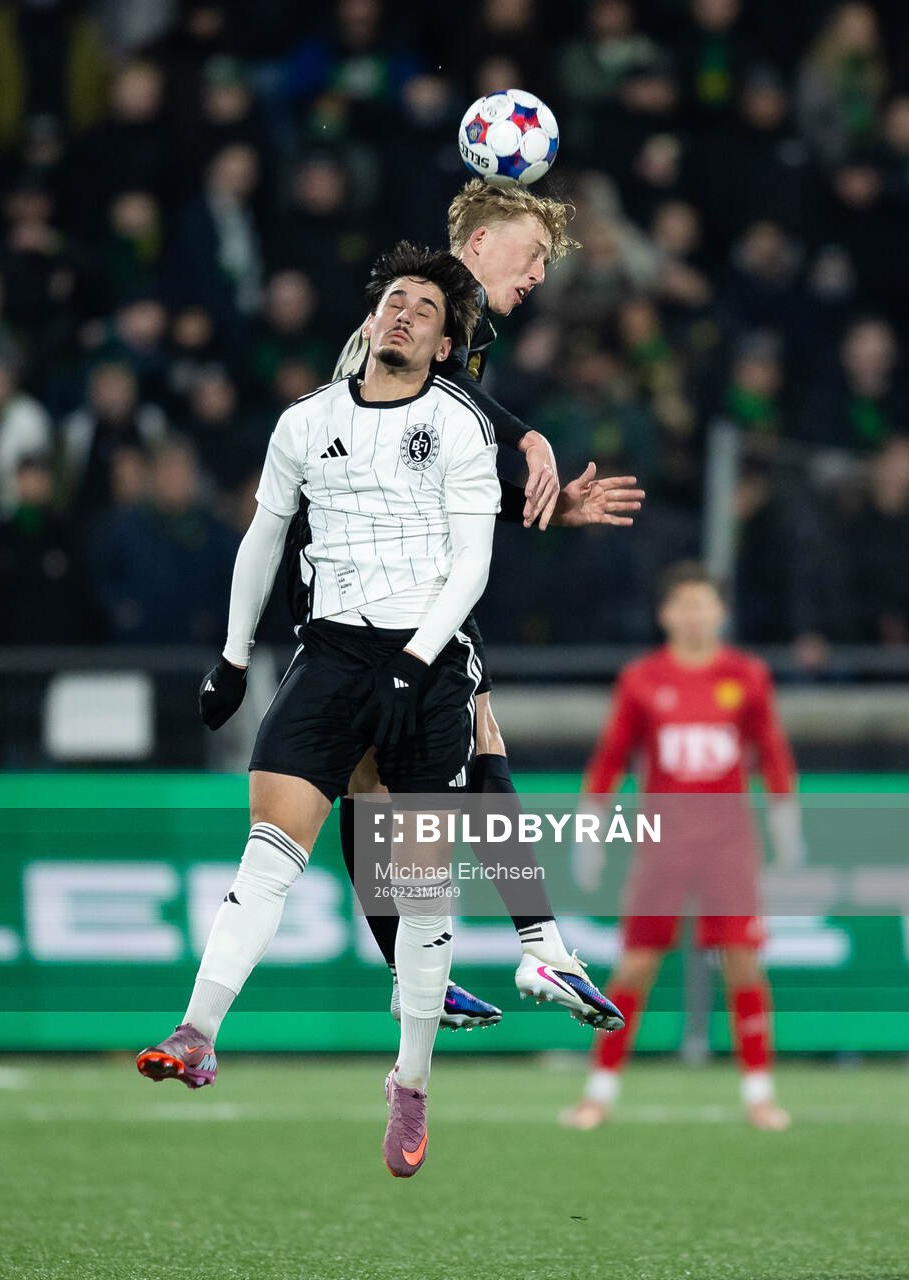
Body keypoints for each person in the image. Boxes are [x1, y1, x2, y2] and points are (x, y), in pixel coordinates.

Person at [138, 243, 499, 1180]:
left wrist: (414, 667)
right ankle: (198, 1030)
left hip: (428, 662)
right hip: (332, 653)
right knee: (268, 848)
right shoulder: (306, 421)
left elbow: (473, 566)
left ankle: (410, 1084)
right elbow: (263, 537)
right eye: (395, 300)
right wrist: (230, 655)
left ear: (447, 342)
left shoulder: (461, 427)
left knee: (418, 891)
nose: (406, 313)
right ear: (372, 318)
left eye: (426, 306)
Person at [325, 179, 641, 1033]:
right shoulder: (422, 319)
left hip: (398, 568)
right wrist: (526, 434)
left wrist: (544, 503)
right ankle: (505, 952)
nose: (540, 271)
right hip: (355, 577)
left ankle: (509, 951)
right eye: (532, 252)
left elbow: (428, 465)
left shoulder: (463, 336)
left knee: (450, 745)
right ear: (480, 242)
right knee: (376, 775)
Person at [561, 561, 801, 1133]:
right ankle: (599, 1091)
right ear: (666, 614)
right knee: (637, 963)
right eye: (684, 605)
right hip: (662, 846)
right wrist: (589, 829)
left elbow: (771, 753)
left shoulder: (747, 676)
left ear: (721, 612)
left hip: (728, 845)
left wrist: (786, 819)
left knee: (743, 960)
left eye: (705, 604)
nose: (695, 616)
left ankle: (759, 1094)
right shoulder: (643, 679)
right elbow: (612, 758)